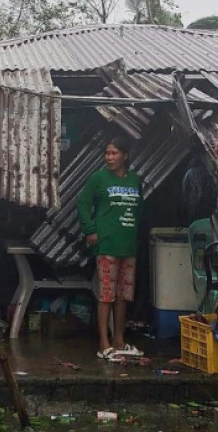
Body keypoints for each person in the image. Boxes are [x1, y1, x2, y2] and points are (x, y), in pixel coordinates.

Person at [77, 136, 144, 361]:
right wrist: (90, 230)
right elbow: (83, 203)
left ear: (125, 155)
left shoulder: (135, 180)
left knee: (123, 295)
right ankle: (103, 343)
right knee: (106, 295)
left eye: (114, 153)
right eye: (107, 153)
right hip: (106, 244)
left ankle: (118, 340)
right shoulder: (98, 179)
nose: (109, 157)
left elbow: (139, 209)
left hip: (128, 244)